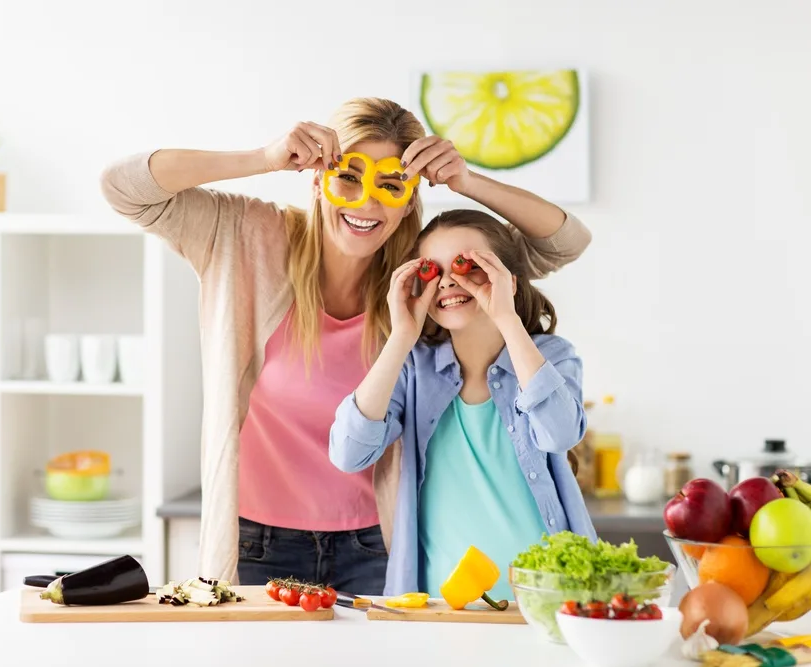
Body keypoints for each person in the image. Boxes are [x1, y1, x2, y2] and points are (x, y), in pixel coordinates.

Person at [99, 97, 592, 594]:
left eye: (390, 186)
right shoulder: (246, 237)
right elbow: (124, 188)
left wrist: (466, 180)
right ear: (318, 181)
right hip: (255, 540)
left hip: (377, 542)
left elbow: (564, 242)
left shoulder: (420, 281)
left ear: (408, 201)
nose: (365, 203)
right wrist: (264, 157)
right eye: (348, 179)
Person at [329, 209, 597, 600]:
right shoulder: (414, 367)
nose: (448, 281)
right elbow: (348, 454)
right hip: (441, 605)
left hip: (549, 599)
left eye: (468, 265)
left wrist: (507, 317)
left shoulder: (551, 356)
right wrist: (402, 335)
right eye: (431, 271)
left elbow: (558, 433)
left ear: (508, 279)